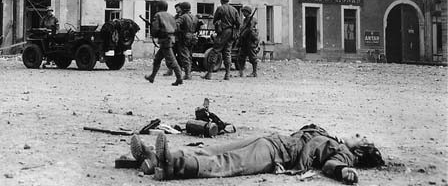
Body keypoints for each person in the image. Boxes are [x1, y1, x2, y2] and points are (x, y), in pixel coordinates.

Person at [130, 124, 385, 183]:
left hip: (276, 153)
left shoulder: (344, 155)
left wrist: (344, 171)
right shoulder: (333, 137)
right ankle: (154, 157)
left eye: (362, 138)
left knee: (226, 163)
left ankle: (173, 165)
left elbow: (331, 166)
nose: (358, 134)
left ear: (360, 149)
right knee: (213, 148)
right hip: (272, 140)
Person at [144, 0, 183, 86]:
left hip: (164, 40)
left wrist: (154, 34)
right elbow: (176, 27)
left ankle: (179, 78)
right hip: (170, 39)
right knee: (157, 59)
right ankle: (152, 77)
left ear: (158, 7)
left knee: (172, 60)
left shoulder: (158, 15)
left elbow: (155, 28)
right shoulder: (171, 16)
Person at [204, 0, 241, 80]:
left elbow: (215, 20)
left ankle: (209, 74)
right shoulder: (234, 9)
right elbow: (238, 23)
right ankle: (227, 75)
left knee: (215, 51)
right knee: (227, 52)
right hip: (231, 32)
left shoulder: (220, 8)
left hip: (223, 32)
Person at [175, 2, 199, 80]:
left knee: (184, 55)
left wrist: (179, 32)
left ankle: (187, 74)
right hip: (193, 37)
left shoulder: (183, 17)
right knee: (189, 55)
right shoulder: (195, 17)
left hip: (184, 37)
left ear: (182, 9)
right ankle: (189, 73)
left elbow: (176, 25)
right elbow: (198, 28)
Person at [238, 5, 259, 77]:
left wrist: (244, 33)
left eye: (245, 12)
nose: (244, 13)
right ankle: (241, 72)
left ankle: (254, 72)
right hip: (244, 41)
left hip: (250, 40)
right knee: (241, 57)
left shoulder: (253, 19)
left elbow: (250, 29)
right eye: (243, 12)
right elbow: (242, 28)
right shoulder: (244, 20)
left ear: (249, 12)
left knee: (253, 57)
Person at [164, 3, 183, 77]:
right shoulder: (176, 17)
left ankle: (179, 71)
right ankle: (170, 70)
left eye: (177, 8)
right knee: (171, 55)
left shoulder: (183, 17)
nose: (176, 10)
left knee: (180, 56)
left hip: (181, 39)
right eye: (176, 9)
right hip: (174, 38)